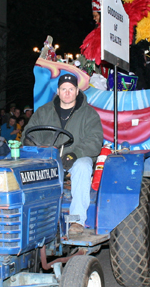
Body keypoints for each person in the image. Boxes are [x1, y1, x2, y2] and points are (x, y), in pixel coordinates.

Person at [24, 73, 103, 235]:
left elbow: (95, 140)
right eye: (64, 89)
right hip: (49, 157)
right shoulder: (43, 111)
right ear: (58, 91)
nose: (67, 93)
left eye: (71, 89)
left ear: (77, 91)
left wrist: (74, 154)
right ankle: (31, 219)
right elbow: (28, 132)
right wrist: (30, 143)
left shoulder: (89, 114)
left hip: (75, 158)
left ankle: (76, 219)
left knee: (83, 166)